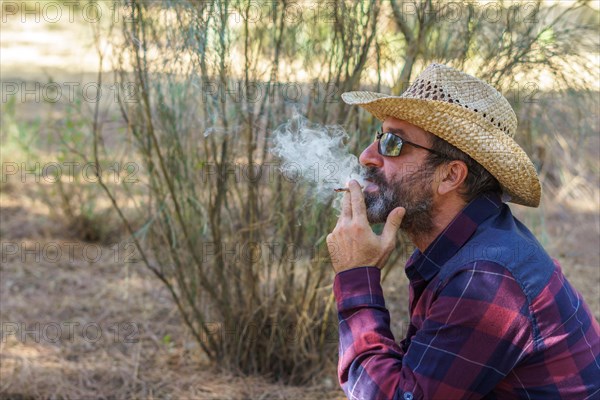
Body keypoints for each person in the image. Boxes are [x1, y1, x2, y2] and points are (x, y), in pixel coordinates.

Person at [326, 63, 600, 400]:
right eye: (379, 137)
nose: (367, 156)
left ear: (450, 176)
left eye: (394, 143)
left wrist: (357, 275)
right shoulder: (461, 246)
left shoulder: (487, 277)